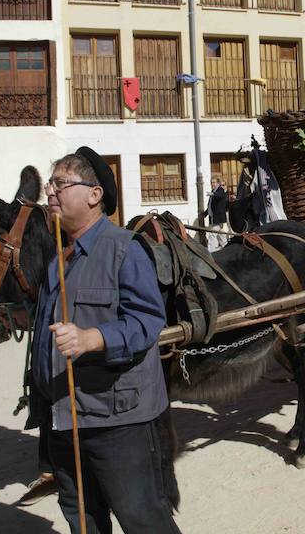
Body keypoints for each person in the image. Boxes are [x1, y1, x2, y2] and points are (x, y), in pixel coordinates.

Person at [30, 147, 180, 533]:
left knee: (142, 518)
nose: (50, 193)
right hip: (65, 417)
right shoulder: (58, 260)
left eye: (60, 184)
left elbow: (147, 321)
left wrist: (92, 338)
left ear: (94, 195)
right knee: (83, 520)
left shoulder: (123, 249)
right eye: (51, 184)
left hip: (117, 420)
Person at [206, 176, 229, 251]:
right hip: (214, 218)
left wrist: (212, 194)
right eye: (211, 182)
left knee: (212, 234)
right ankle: (226, 249)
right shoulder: (214, 191)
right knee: (221, 235)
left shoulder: (220, 190)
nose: (212, 184)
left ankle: (210, 251)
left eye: (214, 182)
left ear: (218, 183)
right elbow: (211, 205)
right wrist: (205, 213)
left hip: (218, 218)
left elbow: (219, 195)